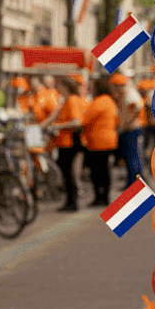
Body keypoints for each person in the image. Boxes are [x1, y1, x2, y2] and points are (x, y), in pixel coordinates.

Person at [43, 75, 84, 212]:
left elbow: (77, 122)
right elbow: (54, 116)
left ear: (65, 86)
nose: (56, 87)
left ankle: (72, 202)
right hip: (64, 142)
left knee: (68, 173)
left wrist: (57, 127)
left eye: (59, 85)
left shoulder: (72, 100)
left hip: (69, 142)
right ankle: (70, 201)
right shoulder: (66, 100)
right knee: (66, 172)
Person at [82, 77, 119, 206]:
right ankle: (105, 197)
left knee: (97, 172)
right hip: (109, 140)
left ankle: (100, 197)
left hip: (98, 142)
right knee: (105, 171)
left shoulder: (99, 101)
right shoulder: (109, 101)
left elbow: (85, 118)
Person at [111, 71, 144, 187]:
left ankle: (134, 183)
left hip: (132, 129)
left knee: (133, 158)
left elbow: (138, 107)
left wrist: (128, 123)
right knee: (130, 157)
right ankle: (132, 182)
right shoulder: (124, 93)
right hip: (129, 129)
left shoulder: (128, 92)